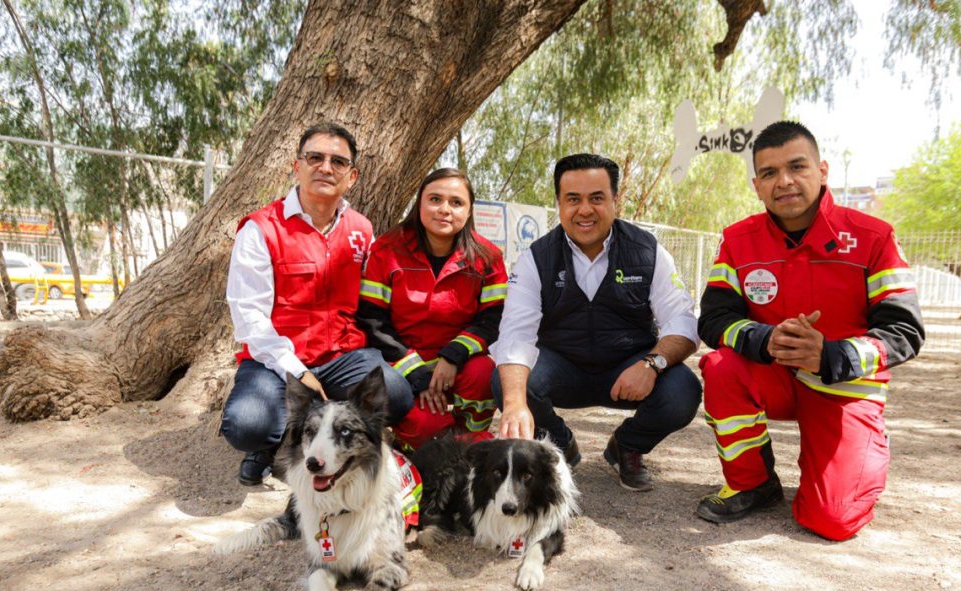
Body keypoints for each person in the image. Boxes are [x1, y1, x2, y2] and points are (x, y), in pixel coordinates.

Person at [695, 121, 924, 540]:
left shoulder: (874, 238)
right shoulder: (736, 241)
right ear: (756, 185)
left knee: (832, 520)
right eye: (769, 173)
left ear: (823, 171)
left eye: (797, 167)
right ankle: (753, 483)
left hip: (845, 385)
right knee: (721, 366)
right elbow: (713, 320)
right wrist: (763, 339)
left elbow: (905, 331)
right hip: (774, 373)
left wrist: (833, 355)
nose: (784, 181)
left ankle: (862, 444)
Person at [491, 153, 702, 492]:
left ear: (615, 201)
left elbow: (683, 323)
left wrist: (652, 364)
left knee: (683, 390)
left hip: (627, 370)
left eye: (597, 198)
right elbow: (516, 334)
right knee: (507, 382)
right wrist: (515, 404)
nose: (585, 210)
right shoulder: (535, 259)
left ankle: (627, 447)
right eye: (573, 199)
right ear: (559, 204)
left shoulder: (649, 252)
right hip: (562, 369)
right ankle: (559, 447)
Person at [221, 123, 413, 486]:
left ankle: (342, 439)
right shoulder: (261, 229)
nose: (326, 167)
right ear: (297, 167)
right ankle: (269, 442)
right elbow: (249, 317)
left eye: (338, 162)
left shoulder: (362, 230)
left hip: (344, 357)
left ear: (352, 176)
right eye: (315, 158)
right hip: (275, 360)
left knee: (398, 395)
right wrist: (299, 373)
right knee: (246, 425)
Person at [357, 168, 507, 450]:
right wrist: (415, 374)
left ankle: (469, 442)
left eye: (456, 202)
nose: (444, 210)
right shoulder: (386, 250)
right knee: (428, 431)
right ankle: (434, 442)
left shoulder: (488, 257)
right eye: (435, 199)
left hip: (458, 361)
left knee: (484, 372)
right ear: (420, 204)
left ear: (469, 209)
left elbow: (493, 318)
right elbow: (371, 321)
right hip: (400, 361)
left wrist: (453, 356)